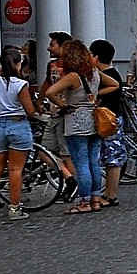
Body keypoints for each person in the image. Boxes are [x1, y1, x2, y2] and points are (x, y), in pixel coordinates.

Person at [46, 38, 111, 214]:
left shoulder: (72, 76)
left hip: (76, 122)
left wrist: (63, 105)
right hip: (94, 120)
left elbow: (50, 92)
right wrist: (96, 95)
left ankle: (84, 201)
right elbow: (115, 84)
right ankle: (96, 198)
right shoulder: (94, 72)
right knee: (93, 162)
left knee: (80, 162)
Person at [0, 49, 42, 220]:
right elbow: (29, 111)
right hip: (18, 125)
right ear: (18, 64)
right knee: (15, 169)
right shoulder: (19, 84)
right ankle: (14, 208)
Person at [91, 39, 130, 206]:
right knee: (110, 157)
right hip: (111, 120)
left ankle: (111, 195)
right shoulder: (113, 74)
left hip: (110, 121)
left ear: (96, 57)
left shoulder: (108, 76)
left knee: (112, 158)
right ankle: (108, 193)